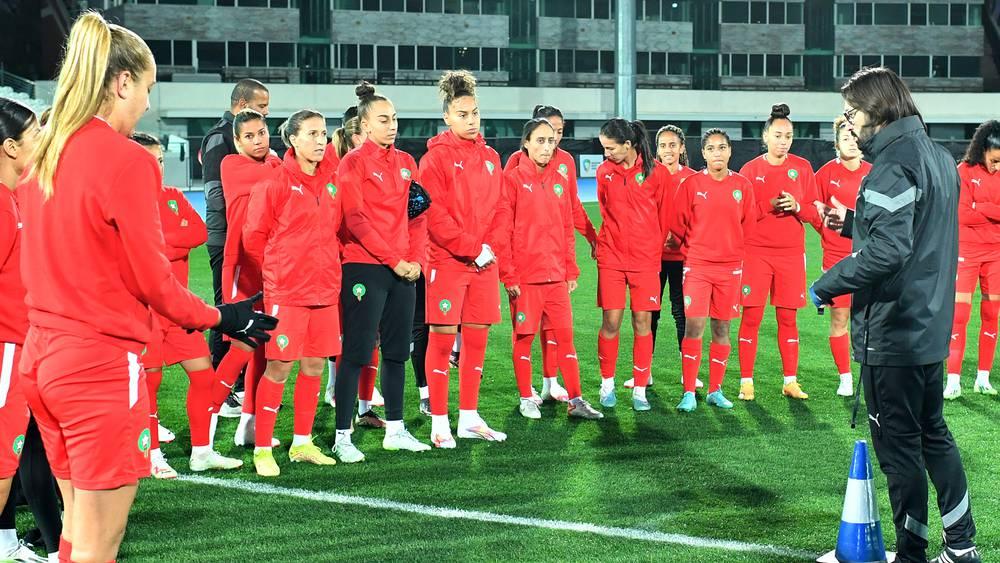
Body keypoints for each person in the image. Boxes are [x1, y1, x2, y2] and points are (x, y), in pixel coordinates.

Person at [17, 12, 276, 562]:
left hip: (42, 361)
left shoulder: (44, 152)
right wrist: (223, 317)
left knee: (74, 530)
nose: (146, 104)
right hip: (98, 366)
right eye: (147, 88)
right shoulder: (127, 159)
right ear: (122, 82)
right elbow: (155, 283)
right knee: (98, 544)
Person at [811, 67, 980, 563]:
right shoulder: (940, 157)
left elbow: (889, 251)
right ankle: (962, 545)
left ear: (878, 111)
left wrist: (826, 283)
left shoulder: (891, 164)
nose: (848, 122)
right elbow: (919, 230)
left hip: (893, 331)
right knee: (935, 437)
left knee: (900, 452)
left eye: (852, 112)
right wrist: (854, 223)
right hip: (929, 327)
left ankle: (910, 555)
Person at [131, 132, 242, 477]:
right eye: (149, 161)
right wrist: (170, 242)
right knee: (149, 385)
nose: (158, 167)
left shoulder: (173, 195)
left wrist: (160, 244)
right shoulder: (125, 201)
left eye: (160, 160)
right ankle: (151, 454)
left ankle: (201, 452)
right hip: (144, 310)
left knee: (203, 375)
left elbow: (198, 233)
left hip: (179, 307)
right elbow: (137, 252)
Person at [243, 109, 343, 477]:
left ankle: (302, 442)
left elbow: (334, 229)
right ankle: (262, 448)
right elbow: (253, 238)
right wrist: (278, 273)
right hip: (287, 291)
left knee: (314, 365)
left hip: (325, 290)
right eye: (312, 134)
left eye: (324, 133)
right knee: (280, 366)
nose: (320, 140)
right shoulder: (275, 183)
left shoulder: (332, 181)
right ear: (293, 140)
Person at [335, 81, 430, 462]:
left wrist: (416, 259)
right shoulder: (352, 163)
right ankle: (343, 436)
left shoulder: (407, 162)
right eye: (383, 120)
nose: (392, 126)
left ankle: (395, 429)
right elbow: (355, 219)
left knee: (396, 352)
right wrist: (395, 260)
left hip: (403, 270)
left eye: (394, 119)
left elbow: (417, 215)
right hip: (364, 266)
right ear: (365, 125)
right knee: (356, 352)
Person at [419, 70, 507, 447]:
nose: (471, 121)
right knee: (442, 340)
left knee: (476, 340)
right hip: (448, 262)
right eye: (462, 114)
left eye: (475, 113)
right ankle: (440, 421)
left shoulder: (491, 157)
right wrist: (473, 248)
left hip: (484, 263)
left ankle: (469, 416)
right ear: (447, 118)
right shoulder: (434, 159)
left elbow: (502, 208)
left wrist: (490, 248)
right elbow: (434, 214)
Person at [494, 118, 604, 420]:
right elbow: (502, 232)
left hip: (555, 278)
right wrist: (509, 274)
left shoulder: (560, 180)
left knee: (565, 339)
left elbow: (567, 228)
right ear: (526, 144)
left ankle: (576, 400)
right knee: (524, 339)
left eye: (551, 141)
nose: (546, 147)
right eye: (540, 140)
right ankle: (526, 397)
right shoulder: (512, 180)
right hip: (525, 279)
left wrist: (571, 270)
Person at [0, 97, 53, 563]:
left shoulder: (15, 196)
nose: (43, 140)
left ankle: (5, 543)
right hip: (5, 346)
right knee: (2, 460)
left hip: (21, 342)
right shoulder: (1, 203)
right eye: (35, 134)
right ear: (11, 147)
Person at [737, 103, 820, 402]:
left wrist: (797, 206)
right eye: (778, 135)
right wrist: (769, 205)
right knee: (752, 317)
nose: (783, 141)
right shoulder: (750, 171)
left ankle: (790, 381)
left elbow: (814, 212)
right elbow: (741, 216)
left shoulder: (803, 168)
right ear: (765, 137)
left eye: (788, 136)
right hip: (756, 254)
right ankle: (746, 381)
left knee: (788, 319)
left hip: (791, 255)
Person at [671, 129, 756, 412]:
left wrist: (732, 252)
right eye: (711, 148)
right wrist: (694, 250)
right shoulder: (692, 184)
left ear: (730, 151)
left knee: (722, 328)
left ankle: (715, 390)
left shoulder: (742, 186)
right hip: (697, 267)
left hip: (729, 270)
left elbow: (749, 225)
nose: (717, 153)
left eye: (722, 147)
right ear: (703, 153)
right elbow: (678, 224)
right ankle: (688, 392)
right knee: (694, 326)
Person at [201, 78, 270, 417]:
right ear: (243, 104)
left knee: (254, 321)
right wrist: (246, 209)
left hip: (256, 244)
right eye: (262, 106)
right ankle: (221, 389)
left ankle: (242, 390)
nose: (266, 113)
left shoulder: (265, 157)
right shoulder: (220, 138)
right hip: (227, 238)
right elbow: (215, 194)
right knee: (227, 315)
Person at [215, 109, 282, 449]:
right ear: (237, 141)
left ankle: (248, 425)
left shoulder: (274, 164)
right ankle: (205, 430)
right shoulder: (231, 164)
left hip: (271, 265)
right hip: (243, 266)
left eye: (262, 133)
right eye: (250, 136)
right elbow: (276, 180)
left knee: (263, 349)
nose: (258, 141)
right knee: (241, 349)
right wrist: (278, 163)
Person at [594, 118, 671, 411]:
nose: (606, 154)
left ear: (628, 145)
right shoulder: (604, 172)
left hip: (645, 261)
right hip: (612, 259)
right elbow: (604, 209)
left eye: (610, 148)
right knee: (611, 322)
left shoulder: (657, 173)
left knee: (642, 322)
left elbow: (664, 217)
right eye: (603, 148)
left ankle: (639, 389)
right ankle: (607, 384)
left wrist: (651, 249)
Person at [323, 106, 387, 426]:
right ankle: (338, 394)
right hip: (347, 264)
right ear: (355, 138)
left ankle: (364, 406)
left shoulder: (378, 168)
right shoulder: (338, 172)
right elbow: (334, 224)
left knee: (372, 336)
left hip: (374, 261)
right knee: (346, 336)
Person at [630, 124, 701, 390]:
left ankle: (688, 372)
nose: (668, 150)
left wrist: (681, 236)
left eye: (673, 145)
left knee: (682, 313)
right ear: (656, 149)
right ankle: (644, 371)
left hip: (684, 257)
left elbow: (700, 217)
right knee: (651, 313)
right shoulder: (649, 175)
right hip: (653, 257)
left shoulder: (693, 178)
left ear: (682, 148)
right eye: (662, 145)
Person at [813, 116, 872, 397]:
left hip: (870, 257)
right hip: (836, 258)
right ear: (836, 143)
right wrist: (828, 232)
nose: (851, 142)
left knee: (871, 320)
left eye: (854, 137)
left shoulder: (874, 172)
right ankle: (845, 377)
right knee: (840, 319)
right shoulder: (825, 173)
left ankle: (870, 373)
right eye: (845, 138)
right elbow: (815, 209)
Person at [945, 120, 1000, 399]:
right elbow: (961, 214)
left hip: (996, 254)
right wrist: (993, 211)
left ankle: (983, 378)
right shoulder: (964, 171)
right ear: (982, 149)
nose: (997, 166)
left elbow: (972, 210)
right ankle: (953, 380)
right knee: (959, 316)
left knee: (991, 314)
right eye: (995, 160)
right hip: (966, 251)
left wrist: (979, 205)